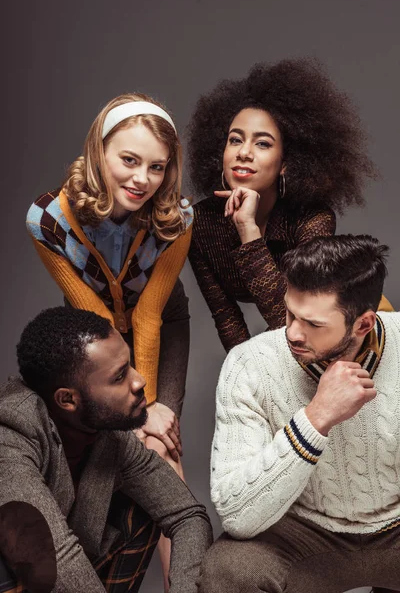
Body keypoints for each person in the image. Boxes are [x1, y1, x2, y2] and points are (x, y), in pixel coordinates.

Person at [26, 94, 192, 589]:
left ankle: (184, 584)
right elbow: (93, 312)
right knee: (96, 449)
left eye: (157, 167)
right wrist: (133, 408)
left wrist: (150, 406)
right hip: (92, 335)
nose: (143, 179)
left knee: (161, 446)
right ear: (99, 152)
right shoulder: (47, 220)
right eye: (129, 160)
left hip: (160, 325)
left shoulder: (177, 219)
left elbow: (150, 312)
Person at [199, 234, 400, 593]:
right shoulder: (250, 363)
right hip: (303, 535)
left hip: (396, 528)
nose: (291, 332)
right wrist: (315, 419)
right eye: (290, 312)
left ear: (364, 324)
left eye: (313, 324)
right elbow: (237, 516)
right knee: (230, 571)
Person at [0, 306, 212, 593]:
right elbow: (51, 557)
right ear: (67, 399)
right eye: (119, 376)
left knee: (140, 510)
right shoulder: (11, 430)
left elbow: (187, 515)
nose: (140, 381)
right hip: (25, 572)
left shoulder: (108, 430)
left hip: (69, 568)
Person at [187, 58, 391, 352]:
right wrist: (247, 372)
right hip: (306, 342)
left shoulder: (312, 219)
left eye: (263, 144)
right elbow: (225, 316)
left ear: (285, 164)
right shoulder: (203, 222)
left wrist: (248, 230)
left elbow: (293, 323)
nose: (244, 152)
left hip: (352, 333)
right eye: (235, 140)